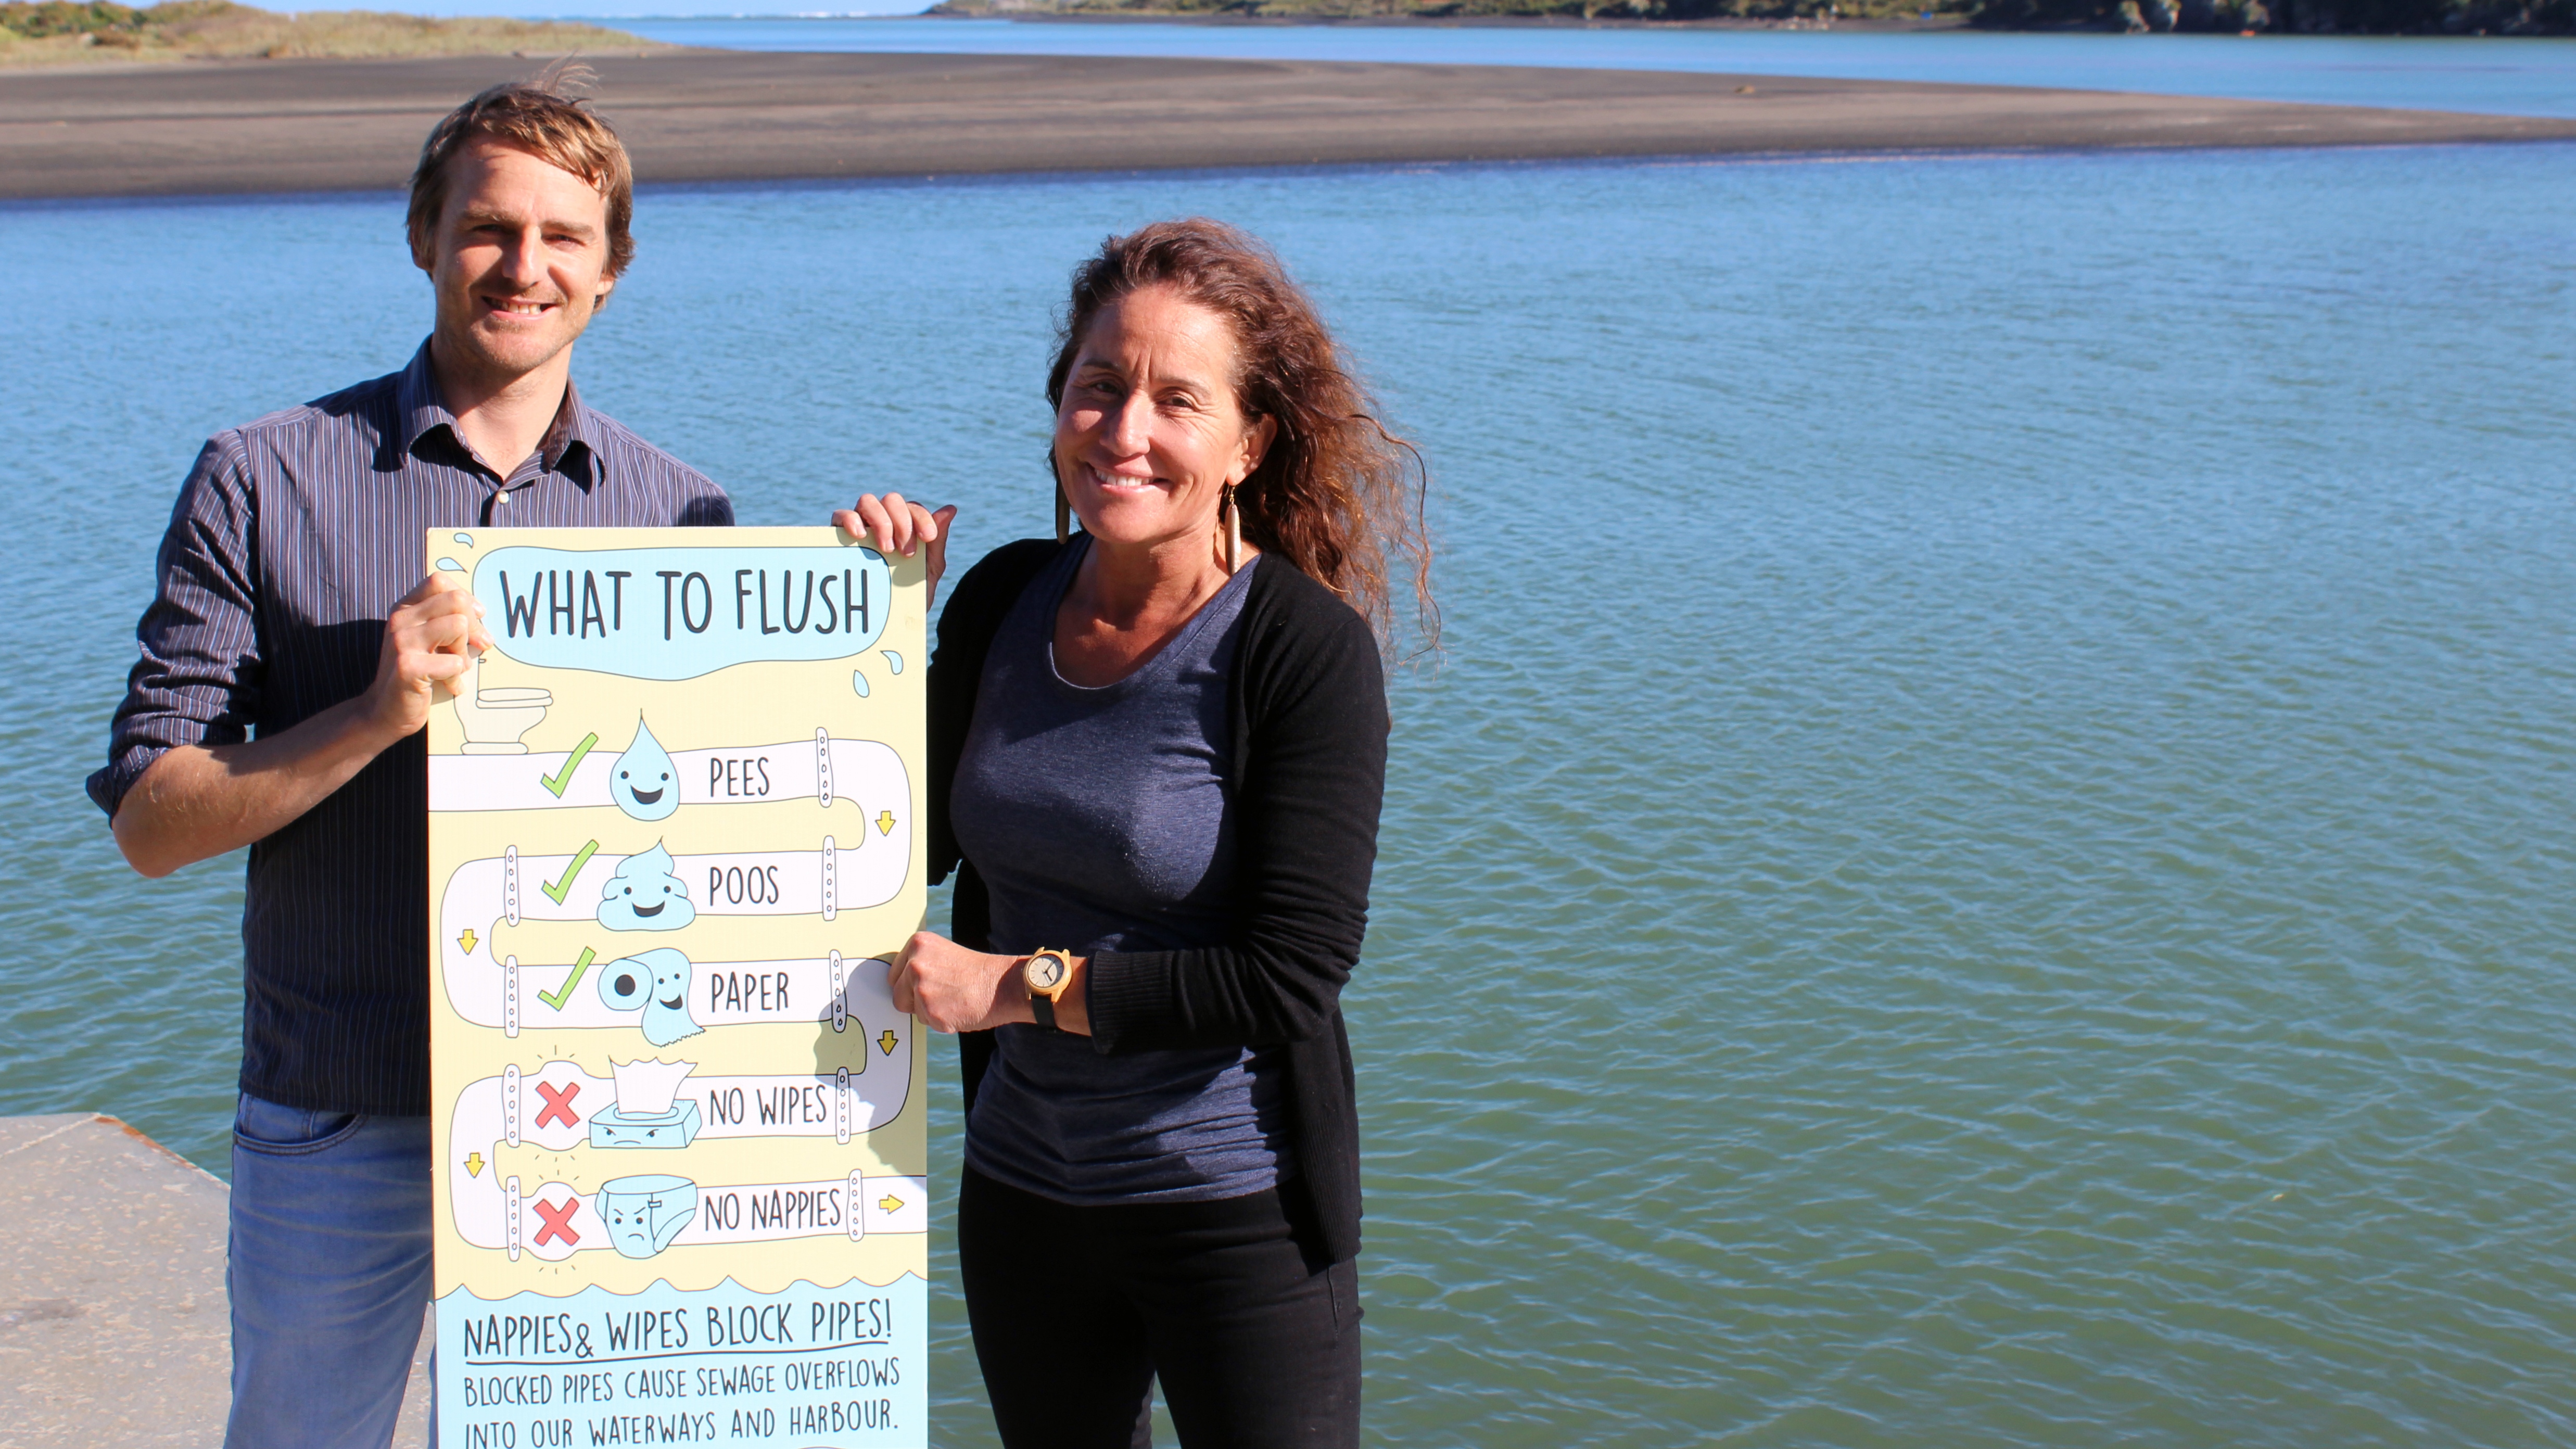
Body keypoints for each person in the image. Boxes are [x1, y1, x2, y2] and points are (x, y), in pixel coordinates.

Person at [89, 77, 946, 1448]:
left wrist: (876, 611)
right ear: (425, 236)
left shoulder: (681, 511)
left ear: (611, 272)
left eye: (562, 237)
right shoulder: (264, 477)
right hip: (336, 1113)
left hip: (604, 1121)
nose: (523, 266)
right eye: (489, 227)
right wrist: (372, 710)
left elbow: (741, 832)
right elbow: (151, 823)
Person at [884, 217, 1432, 1449]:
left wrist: (1018, 988)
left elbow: (1289, 975)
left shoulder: (1298, 651)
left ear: (1250, 444)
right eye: (1098, 389)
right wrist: (873, 637)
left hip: (1233, 1211)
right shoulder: (1000, 600)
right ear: (1057, 407)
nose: (1126, 433)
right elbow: (895, 845)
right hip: (1024, 1199)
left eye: (1177, 401)